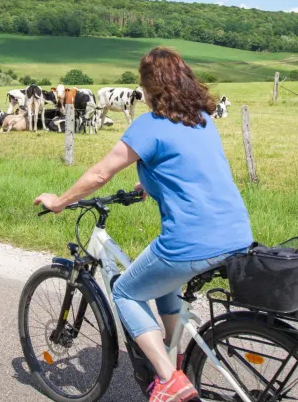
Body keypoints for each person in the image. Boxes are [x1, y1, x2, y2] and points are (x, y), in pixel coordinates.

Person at [34, 47, 254, 402]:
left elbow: (101, 173)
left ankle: (169, 380)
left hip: (191, 242)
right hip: (237, 235)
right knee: (162, 283)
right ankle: (173, 356)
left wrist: (59, 201)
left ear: (151, 87)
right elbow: (190, 169)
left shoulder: (149, 125)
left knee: (124, 291)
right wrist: (149, 183)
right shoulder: (200, 118)